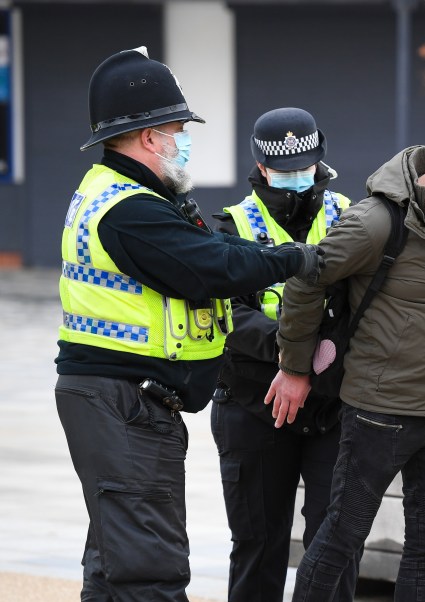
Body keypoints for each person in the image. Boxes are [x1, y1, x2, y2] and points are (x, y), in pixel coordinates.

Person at [54, 47, 324, 601]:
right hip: (125, 405)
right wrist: (301, 259)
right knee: (150, 569)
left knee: (114, 567)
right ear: (151, 137)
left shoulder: (135, 195)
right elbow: (214, 264)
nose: (184, 140)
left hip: (124, 403)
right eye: (178, 129)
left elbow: (210, 247)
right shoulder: (128, 209)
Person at [266, 116, 425, 602]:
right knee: (341, 535)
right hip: (379, 413)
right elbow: (305, 280)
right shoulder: (376, 220)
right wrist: (294, 367)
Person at [209, 107, 357, 601]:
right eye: (284, 170)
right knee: (258, 544)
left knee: (334, 546)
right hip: (255, 404)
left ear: (320, 161)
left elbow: (367, 305)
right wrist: (298, 350)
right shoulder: (231, 228)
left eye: (305, 168)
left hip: (333, 406)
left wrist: (309, 363)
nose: (296, 179)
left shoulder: (351, 217)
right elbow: (229, 317)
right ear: (261, 167)